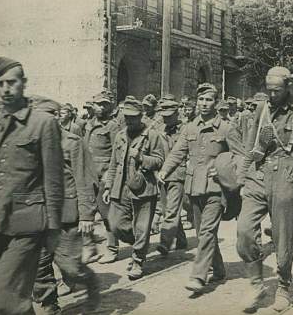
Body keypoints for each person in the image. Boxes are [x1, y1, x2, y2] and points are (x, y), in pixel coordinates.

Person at [0, 57, 64, 315]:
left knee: (3, 299)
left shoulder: (43, 124)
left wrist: (54, 227)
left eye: (12, 82)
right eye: (0, 83)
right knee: (16, 300)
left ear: (23, 84)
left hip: (29, 225)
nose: (6, 89)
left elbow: (53, 179)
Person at [236, 67, 293, 312]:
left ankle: (283, 286)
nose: (272, 95)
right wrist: (243, 175)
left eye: (277, 91)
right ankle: (256, 284)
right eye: (268, 90)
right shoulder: (261, 108)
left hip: (286, 173)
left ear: (288, 88)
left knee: (282, 239)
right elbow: (250, 144)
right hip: (259, 174)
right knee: (244, 232)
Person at [158, 83, 245, 293]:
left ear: (215, 103)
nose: (204, 104)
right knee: (202, 232)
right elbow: (178, 152)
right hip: (193, 187)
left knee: (206, 232)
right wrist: (164, 171)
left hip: (216, 189)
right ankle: (219, 268)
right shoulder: (190, 127)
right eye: (202, 100)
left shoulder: (226, 127)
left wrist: (226, 171)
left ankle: (198, 276)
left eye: (209, 100)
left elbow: (240, 156)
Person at [31, 97, 100, 313]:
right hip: (39, 214)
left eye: (48, 117)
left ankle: (90, 282)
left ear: (56, 118)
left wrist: (87, 216)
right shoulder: (31, 143)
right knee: (39, 266)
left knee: (70, 267)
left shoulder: (72, 142)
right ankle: (51, 306)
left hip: (67, 216)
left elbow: (84, 179)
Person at [105, 96, 164, 280]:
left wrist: (141, 158)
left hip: (144, 188)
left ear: (141, 116)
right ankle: (140, 241)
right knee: (115, 224)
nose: (129, 120)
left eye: (133, 117)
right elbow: (114, 163)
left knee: (142, 226)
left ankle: (138, 260)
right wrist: (108, 187)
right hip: (121, 187)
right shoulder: (120, 135)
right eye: (126, 116)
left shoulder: (152, 135)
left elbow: (160, 160)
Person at [83, 92, 121, 264]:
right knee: (85, 211)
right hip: (89, 173)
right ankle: (89, 247)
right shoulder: (88, 124)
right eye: (99, 104)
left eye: (105, 104)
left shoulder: (113, 126)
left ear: (110, 106)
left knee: (106, 213)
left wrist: (109, 176)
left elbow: (117, 152)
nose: (102, 107)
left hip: (105, 174)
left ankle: (112, 248)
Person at [156, 100, 188, 256]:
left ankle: (164, 242)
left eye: (169, 116)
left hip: (178, 174)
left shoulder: (186, 130)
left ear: (177, 113)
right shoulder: (160, 129)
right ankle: (181, 239)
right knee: (166, 210)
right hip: (163, 174)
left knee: (171, 210)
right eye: (163, 116)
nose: (165, 119)